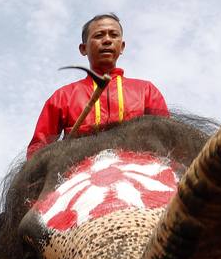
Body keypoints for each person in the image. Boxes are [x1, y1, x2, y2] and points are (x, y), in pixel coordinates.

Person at [27, 13, 169, 158]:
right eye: (99, 35)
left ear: (122, 47)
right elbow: (37, 150)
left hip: (141, 170)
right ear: (83, 49)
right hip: (77, 173)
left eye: (114, 35)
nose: (107, 40)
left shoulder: (146, 90)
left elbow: (168, 140)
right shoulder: (62, 96)